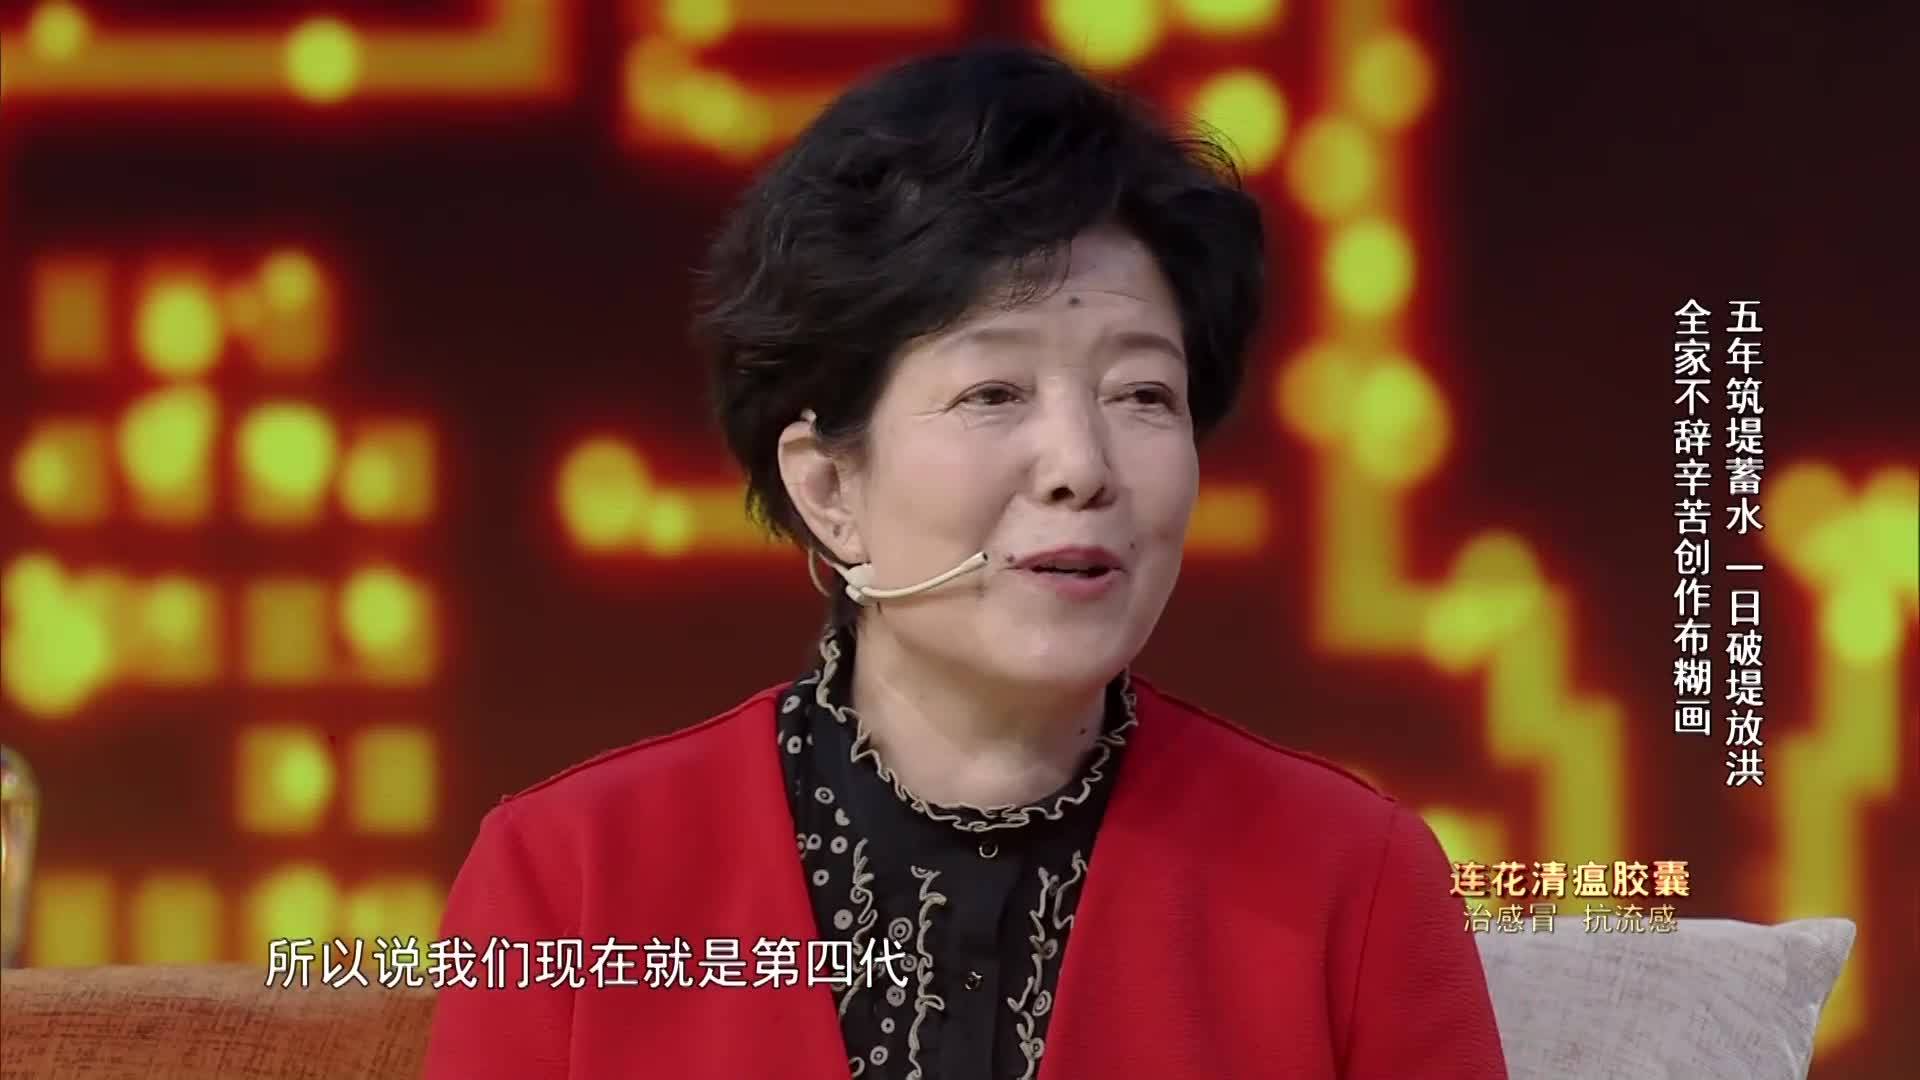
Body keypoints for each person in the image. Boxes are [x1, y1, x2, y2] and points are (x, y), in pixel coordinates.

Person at [423, 43, 1507, 1080]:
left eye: (1142, 394)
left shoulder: (1355, 880)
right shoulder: (568, 879)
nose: (1081, 467)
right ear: (829, 489)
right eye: (994, 392)